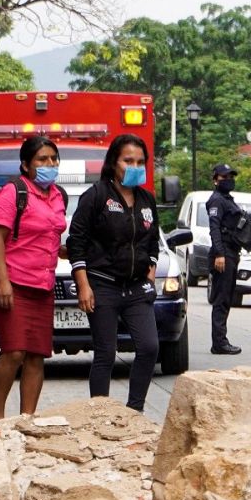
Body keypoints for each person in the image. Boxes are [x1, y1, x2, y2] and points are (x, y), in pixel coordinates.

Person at [67, 134, 162, 413]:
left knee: (149, 347)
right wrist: (83, 285)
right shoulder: (96, 196)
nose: (134, 166)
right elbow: (77, 243)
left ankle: (134, 412)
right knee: (106, 353)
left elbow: (153, 240)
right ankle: (100, 414)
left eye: (140, 162)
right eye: (128, 160)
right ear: (113, 163)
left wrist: (151, 272)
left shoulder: (146, 200)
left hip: (136, 288)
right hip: (102, 286)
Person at [0, 135, 68, 418]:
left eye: (53, 159)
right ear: (25, 164)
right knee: (14, 352)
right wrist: (3, 281)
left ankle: (27, 420)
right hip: (13, 282)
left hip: (43, 285)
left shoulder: (58, 195)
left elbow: (50, 237)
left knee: (36, 355)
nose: (50, 164)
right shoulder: (13, 192)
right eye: (42, 159)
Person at [206, 163, 245, 355]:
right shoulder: (216, 201)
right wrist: (220, 254)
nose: (229, 180)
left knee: (227, 297)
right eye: (224, 177)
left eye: (231, 176)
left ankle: (221, 340)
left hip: (231, 253)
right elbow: (214, 229)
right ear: (215, 180)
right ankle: (219, 342)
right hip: (223, 254)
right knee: (221, 299)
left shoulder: (226, 199)